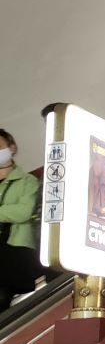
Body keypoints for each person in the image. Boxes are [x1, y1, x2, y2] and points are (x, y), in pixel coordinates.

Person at [0, 129, 40, 310]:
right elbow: (14, 211)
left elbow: (23, 212)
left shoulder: (27, 181)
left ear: (12, 147)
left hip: (13, 252)